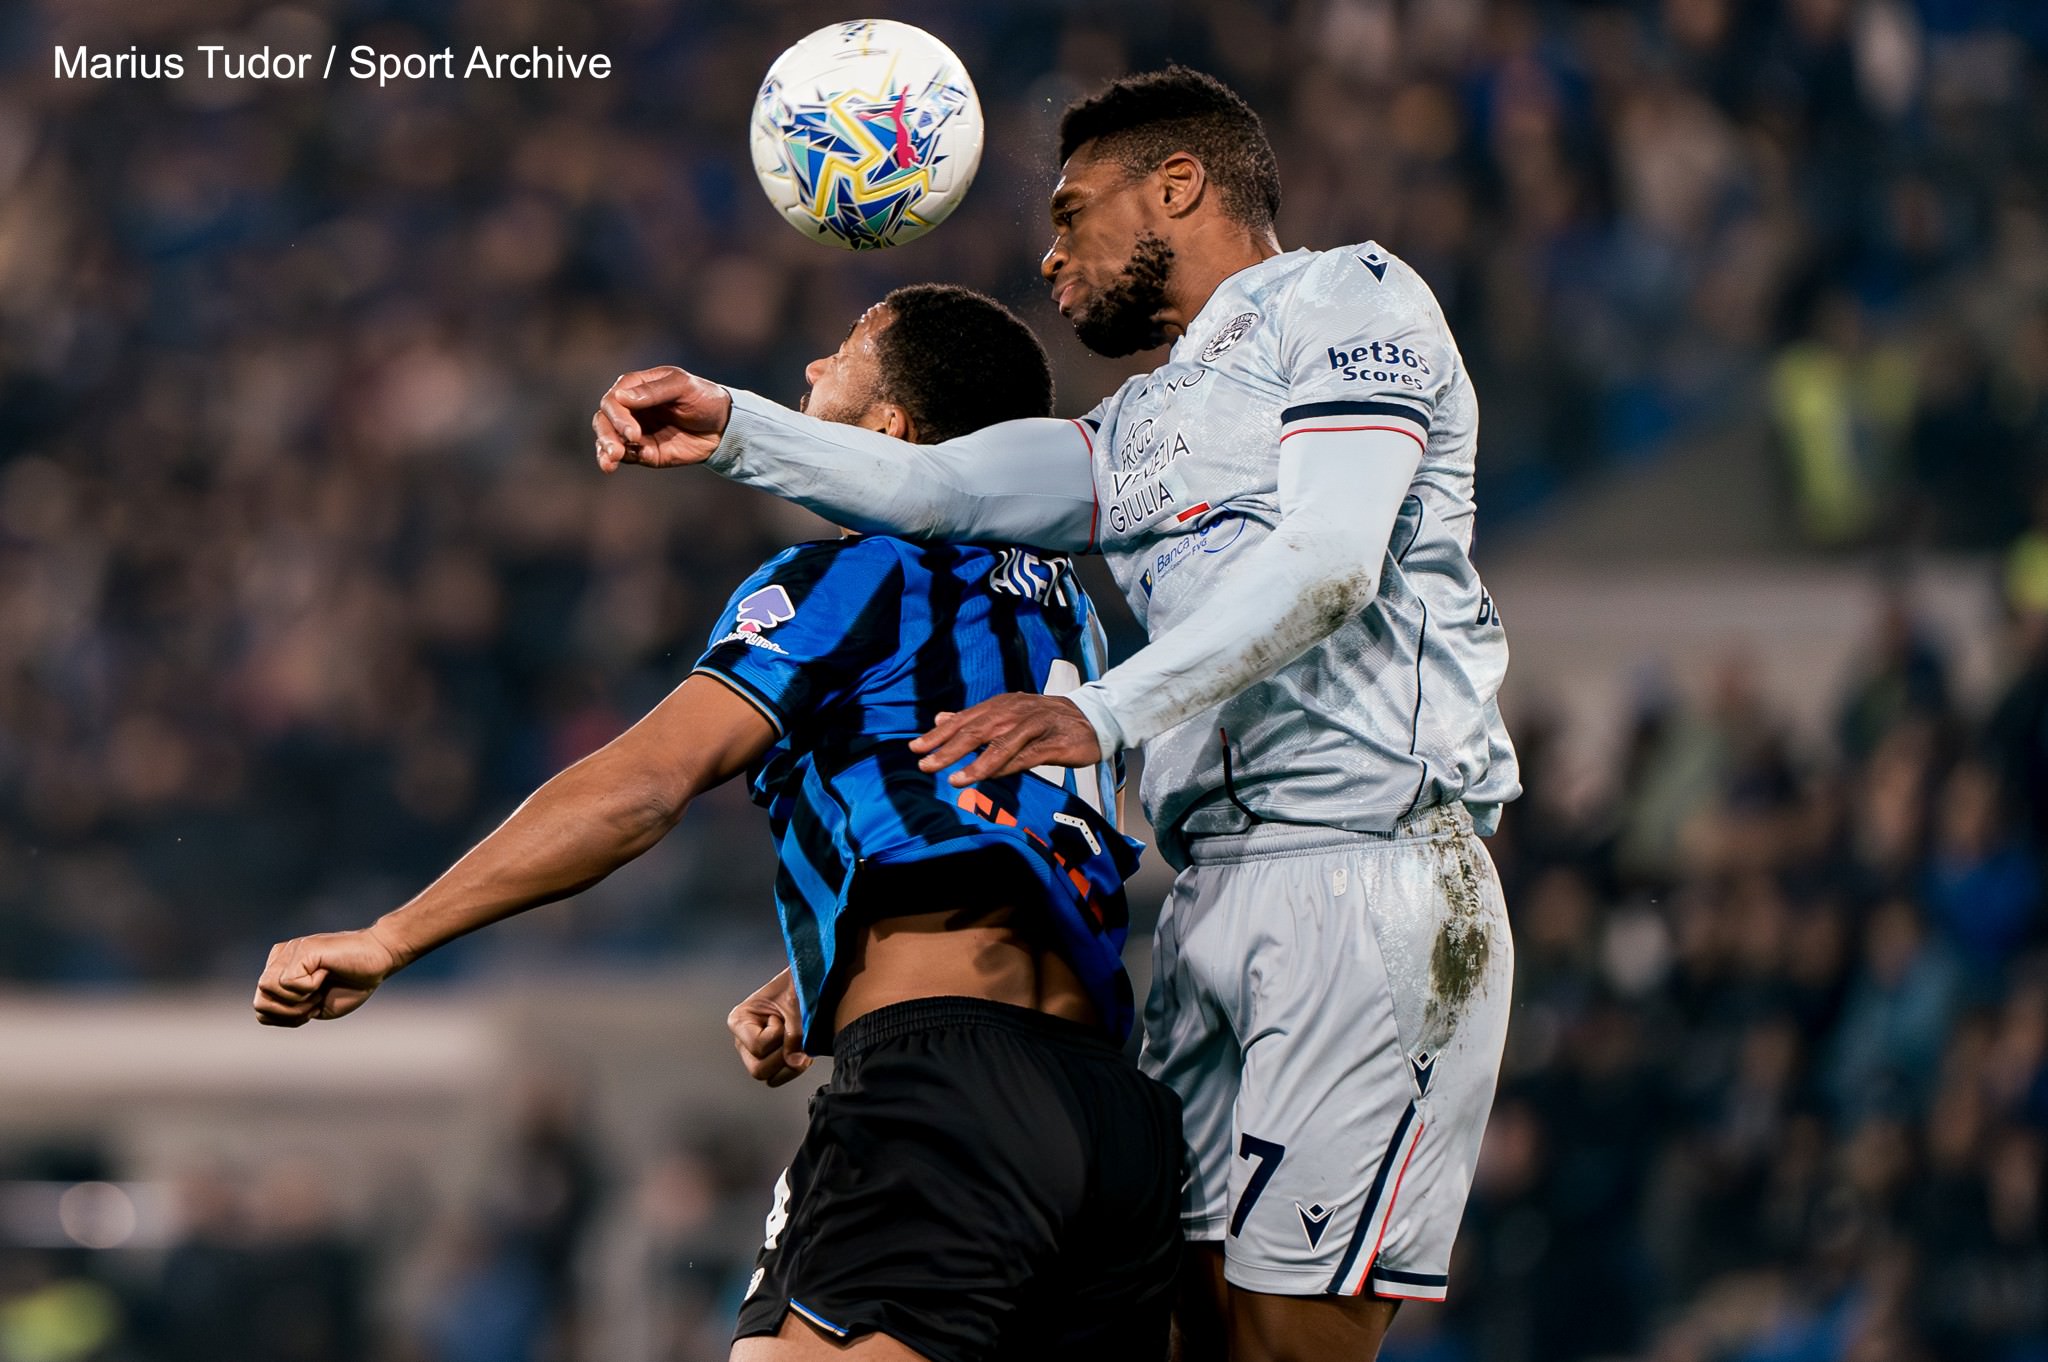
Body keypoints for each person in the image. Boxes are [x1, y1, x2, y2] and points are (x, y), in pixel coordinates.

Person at [589, 67, 1517, 1362]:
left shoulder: (1350, 298)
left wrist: (1105, 713)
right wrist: (735, 425)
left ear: (1179, 187)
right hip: (1211, 903)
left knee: (1277, 1351)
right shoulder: (1138, 429)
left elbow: (1332, 562)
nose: (1050, 247)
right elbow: (947, 487)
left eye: (1075, 211)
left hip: (1368, 872)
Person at [254, 284, 1183, 1362]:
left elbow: (641, 788)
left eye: (840, 356)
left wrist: (391, 935)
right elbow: (998, 827)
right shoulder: (1064, 610)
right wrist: (822, 967)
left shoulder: (856, 571)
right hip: (1106, 1117)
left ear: (890, 431)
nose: (805, 378)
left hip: (945, 1089)